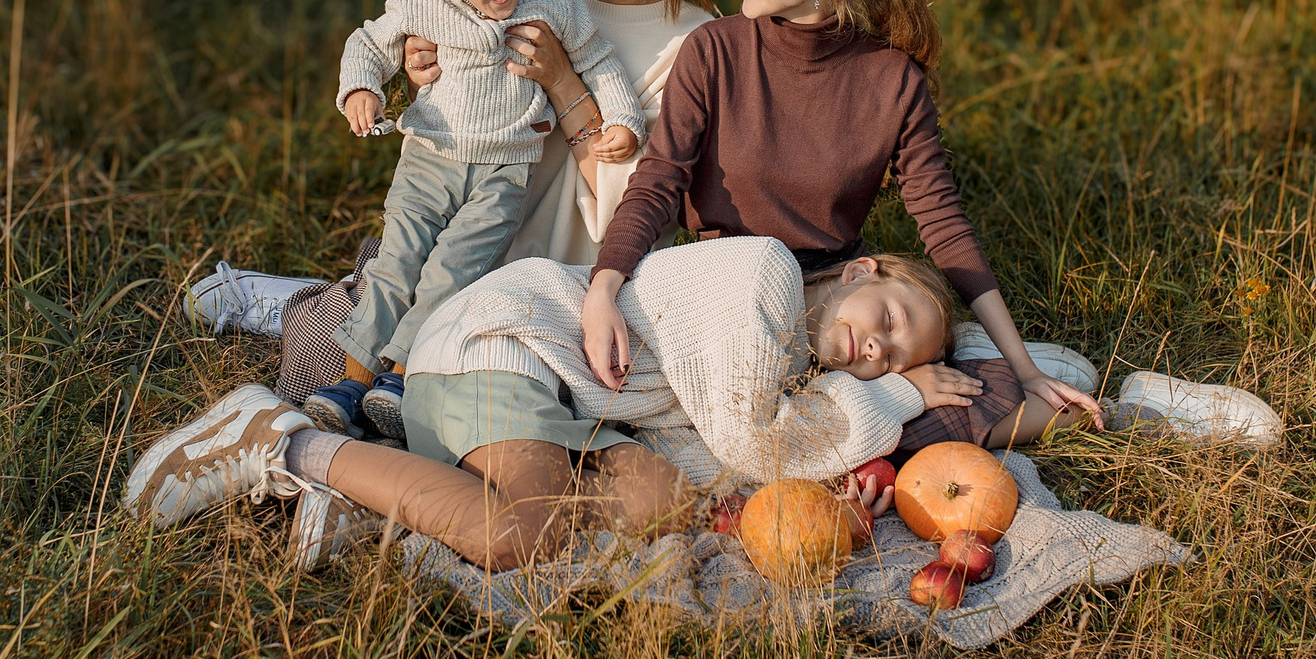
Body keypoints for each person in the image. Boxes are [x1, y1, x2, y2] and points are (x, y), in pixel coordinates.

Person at [186, 0, 722, 431]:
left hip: (555, 282)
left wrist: (563, 83)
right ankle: (309, 305)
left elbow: (638, 207)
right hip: (457, 220)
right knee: (331, 361)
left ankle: (319, 307)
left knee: (435, 407)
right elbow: (444, 81)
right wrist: (420, 70)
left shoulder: (698, 45)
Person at [581, 0, 1104, 455]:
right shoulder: (715, 51)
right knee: (899, 407)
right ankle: (875, 431)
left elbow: (945, 227)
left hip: (839, 308)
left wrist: (1024, 368)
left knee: (1013, 383)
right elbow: (657, 185)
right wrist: (604, 287)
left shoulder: (893, 81)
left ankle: (864, 430)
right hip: (730, 298)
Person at [123, 235, 984, 572]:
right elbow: (758, 443)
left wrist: (828, 499)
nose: (879, 351)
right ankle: (278, 443)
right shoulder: (767, 275)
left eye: (895, 358)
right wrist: (896, 398)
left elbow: (725, 451)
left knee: (660, 502)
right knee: (518, 536)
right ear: (866, 268)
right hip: (500, 343)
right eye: (892, 320)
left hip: (560, 403)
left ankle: (373, 495)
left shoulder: (791, 363)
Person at [293, 0, 644, 438]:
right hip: (430, 160)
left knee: (452, 270)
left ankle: (402, 374)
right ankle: (351, 380)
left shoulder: (553, 1)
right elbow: (369, 42)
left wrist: (623, 116)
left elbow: (599, 59)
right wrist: (362, 87)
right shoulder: (423, 2)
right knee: (396, 261)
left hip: (504, 174)